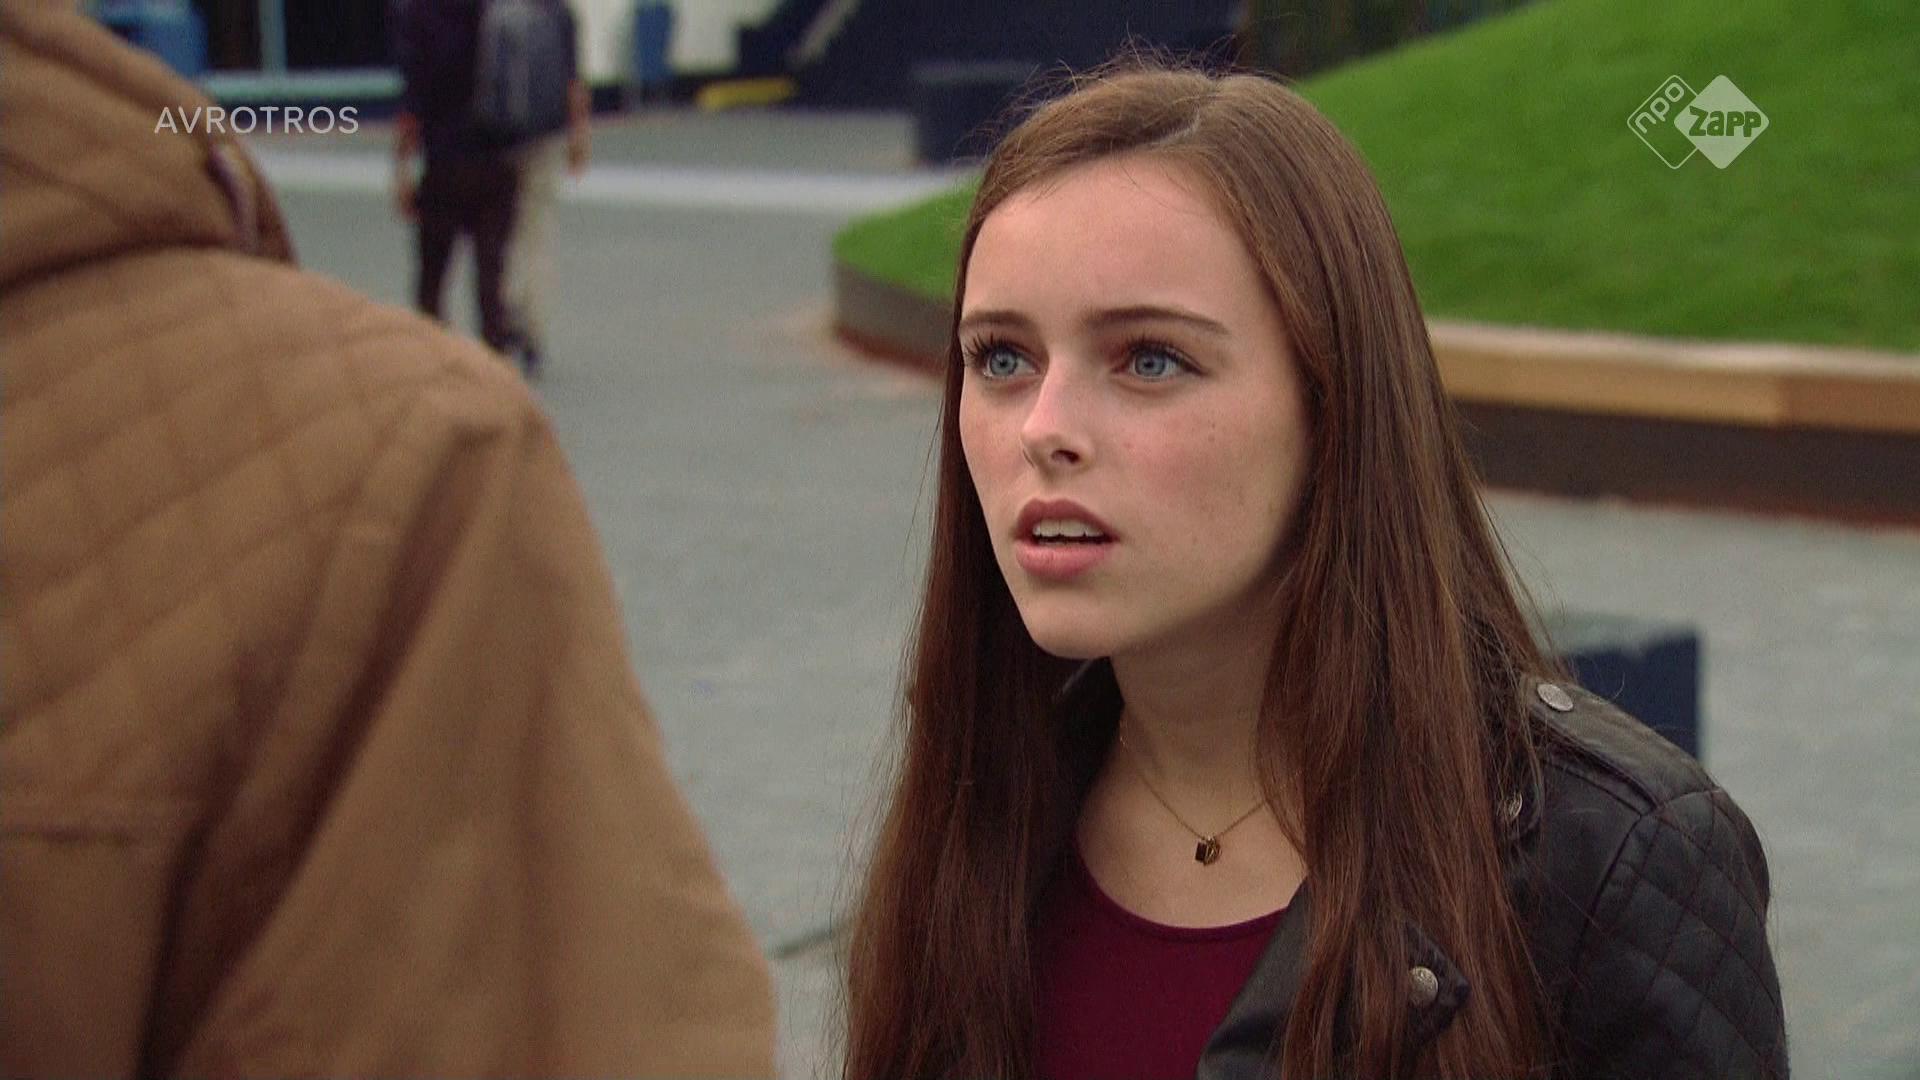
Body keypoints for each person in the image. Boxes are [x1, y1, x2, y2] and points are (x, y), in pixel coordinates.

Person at [842, 60, 1787, 1080]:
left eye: (1150, 359)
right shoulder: (985, 802)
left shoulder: (1610, 867)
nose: (1043, 428)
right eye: (1001, 358)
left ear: (1333, 407)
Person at [0, 4, 775, 1077]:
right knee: (506, 250)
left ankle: (477, 315)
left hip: (449, 162)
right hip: (494, 164)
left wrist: (412, 150)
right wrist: (565, 128)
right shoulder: (401, 463)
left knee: (444, 258)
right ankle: (508, 324)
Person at [392, 0, 524, 360]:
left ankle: (433, 357)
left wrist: (402, 173)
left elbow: (412, 103)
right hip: (497, 158)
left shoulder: (419, 13)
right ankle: (495, 360)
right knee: (491, 276)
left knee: (432, 278)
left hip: (444, 163)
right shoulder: (496, 10)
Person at [500, 1, 593, 379]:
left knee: (504, 228)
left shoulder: (497, 10)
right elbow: (574, 82)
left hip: (501, 136)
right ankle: (534, 325)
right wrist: (579, 135)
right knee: (538, 230)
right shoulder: (559, 13)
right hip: (547, 134)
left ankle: (506, 306)